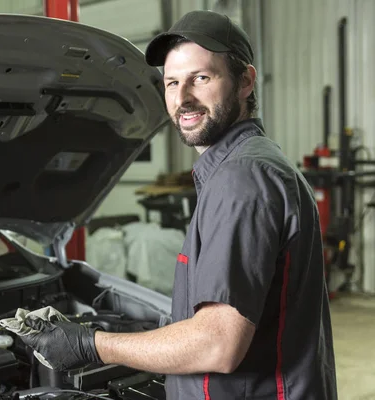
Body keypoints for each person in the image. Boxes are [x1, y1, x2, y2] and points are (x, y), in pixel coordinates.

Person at [20, 10, 337, 400]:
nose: (182, 98)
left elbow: (217, 344)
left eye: (201, 78)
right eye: (172, 82)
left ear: (245, 81)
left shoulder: (242, 178)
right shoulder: (250, 164)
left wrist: (90, 345)